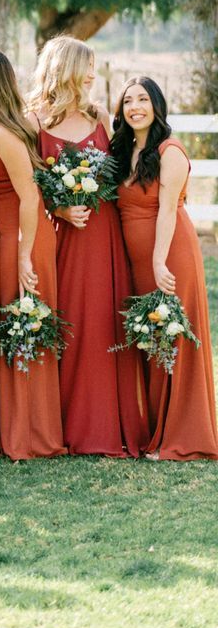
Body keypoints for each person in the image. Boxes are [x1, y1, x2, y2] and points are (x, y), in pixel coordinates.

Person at [28, 36, 148, 457]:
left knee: (101, 323)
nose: (94, 75)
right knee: (68, 322)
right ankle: (61, 421)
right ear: (66, 69)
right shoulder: (34, 121)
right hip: (60, 238)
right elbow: (27, 184)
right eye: (87, 66)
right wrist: (59, 209)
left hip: (103, 236)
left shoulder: (99, 115)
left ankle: (102, 422)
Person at [0, 49, 64, 460]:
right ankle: (12, 425)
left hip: (23, 235)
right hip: (6, 233)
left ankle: (30, 432)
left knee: (23, 319)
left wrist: (23, 255)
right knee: (9, 321)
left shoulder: (1, 132)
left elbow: (28, 195)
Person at [113, 76, 218, 460]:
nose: (135, 106)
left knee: (173, 338)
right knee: (152, 340)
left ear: (157, 104)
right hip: (138, 260)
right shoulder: (123, 150)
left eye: (143, 99)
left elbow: (168, 209)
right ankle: (156, 430)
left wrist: (158, 261)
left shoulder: (169, 150)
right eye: (128, 100)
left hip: (170, 254)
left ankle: (182, 435)